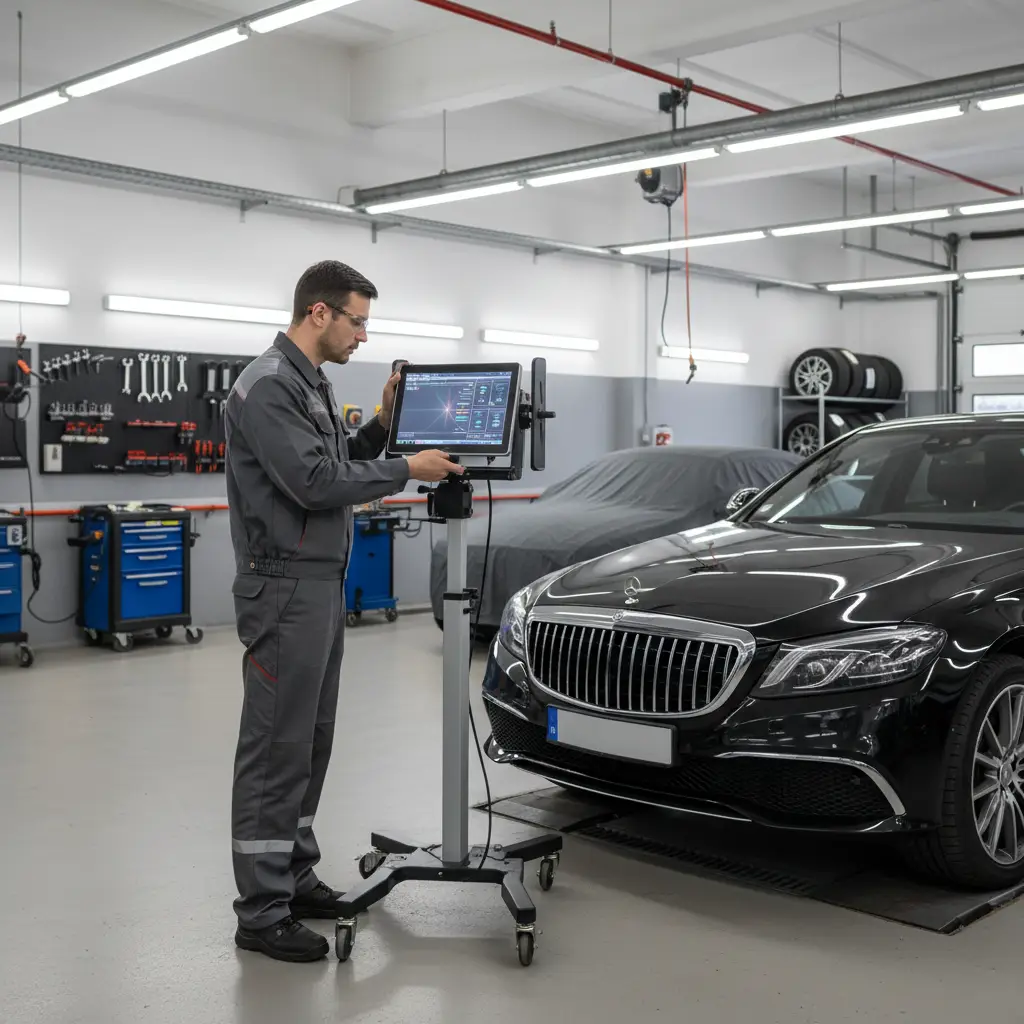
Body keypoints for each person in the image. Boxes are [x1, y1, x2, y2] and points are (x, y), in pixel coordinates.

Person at [224, 260, 462, 963]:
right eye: (358, 320)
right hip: (283, 587)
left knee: (311, 739)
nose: (365, 334)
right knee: (276, 748)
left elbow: (335, 461)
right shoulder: (268, 387)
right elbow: (314, 481)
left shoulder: (309, 384)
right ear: (319, 314)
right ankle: (260, 911)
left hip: (318, 584)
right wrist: (406, 468)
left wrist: (385, 427)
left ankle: (293, 878)